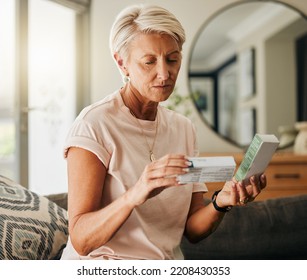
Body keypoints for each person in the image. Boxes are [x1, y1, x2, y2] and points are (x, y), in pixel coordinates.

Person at [60, 4, 266, 260]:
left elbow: (192, 229)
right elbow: (81, 239)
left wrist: (220, 202)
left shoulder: (183, 129)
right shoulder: (94, 124)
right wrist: (135, 194)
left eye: (172, 59)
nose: (164, 73)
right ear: (121, 63)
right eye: (149, 62)